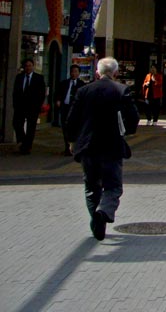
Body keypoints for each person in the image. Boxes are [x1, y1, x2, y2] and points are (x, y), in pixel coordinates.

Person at [65, 57, 139, 241]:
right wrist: (127, 130)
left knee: (91, 187)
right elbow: (133, 118)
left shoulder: (83, 91)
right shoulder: (121, 90)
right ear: (116, 73)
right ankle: (104, 211)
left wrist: (72, 141)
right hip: (112, 146)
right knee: (113, 186)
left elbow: (71, 119)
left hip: (88, 146)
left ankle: (97, 221)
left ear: (97, 73)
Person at [12, 58, 47, 154]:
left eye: (30, 66)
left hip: (33, 107)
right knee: (17, 123)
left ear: (33, 66)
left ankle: (27, 147)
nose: (28, 68)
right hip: (20, 106)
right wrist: (15, 104)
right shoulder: (19, 77)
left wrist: (39, 105)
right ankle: (22, 140)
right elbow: (15, 92)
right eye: (26, 66)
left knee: (31, 128)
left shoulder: (38, 78)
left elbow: (41, 93)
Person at [57, 65, 85, 155]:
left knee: (74, 129)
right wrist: (58, 101)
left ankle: (74, 147)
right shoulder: (64, 83)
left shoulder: (82, 85)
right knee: (65, 128)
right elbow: (58, 94)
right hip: (65, 107)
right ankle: (67, 148)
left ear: (79, 73)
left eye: (76, 71)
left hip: (76, 110)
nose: (73, 73)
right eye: (72, 71)